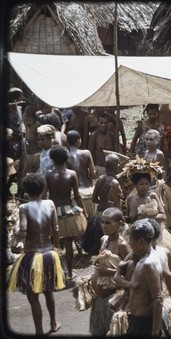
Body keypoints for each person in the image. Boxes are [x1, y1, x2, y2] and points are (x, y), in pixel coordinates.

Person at [7, 173, 65, 335]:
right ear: (42, 189)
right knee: (49, 291)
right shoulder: (50, 203)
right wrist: (58, 245)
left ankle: (39, 331)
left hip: (31, 256)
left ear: (26, 191)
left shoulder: (23, 207)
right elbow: (56, 228)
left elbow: (23, 231)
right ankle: (53, 323)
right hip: (48, 253)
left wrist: (16, 231)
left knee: (33, 297)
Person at [42, 146, 87, 280]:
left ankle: (55, 273)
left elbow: (44, 196)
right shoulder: (72, 174)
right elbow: (77, 195)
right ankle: (70, 272)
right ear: (66, 159)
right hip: (68, 211)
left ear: (52, 159)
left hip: (53, 210)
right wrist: (83, 210)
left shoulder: (48, 174)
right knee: (68, 244)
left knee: (51, 243)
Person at [89, 207, 130, 336]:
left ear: (119, 224)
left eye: (108, 223)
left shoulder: (122, 245)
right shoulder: (104, 239)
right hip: (101, 296)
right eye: (102, 222)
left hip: (115, 297)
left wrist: (108, 272)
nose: (104, 226)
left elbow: (130, 272)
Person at [80, 153, 123, 256]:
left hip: (98, 214)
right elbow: (111, 205)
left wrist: (103, 202)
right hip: (111, 218)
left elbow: (94, 199)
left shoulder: (100, 179)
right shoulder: (114, 183)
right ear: (117, 167)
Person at [125, 219, 163, 336]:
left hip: (143, 323)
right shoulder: (149, 256)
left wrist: (155, 331)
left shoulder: (148, 264)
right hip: (139, 320)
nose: (130, 244)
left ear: (141, 241)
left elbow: (158, 299)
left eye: (131, 240)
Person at [66, 130, 97, 218]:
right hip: (89, 192)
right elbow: (93, 174)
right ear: (78, 141)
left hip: (75, 195)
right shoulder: (86, 153)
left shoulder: (65, 156)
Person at [88, 112, 116, 176]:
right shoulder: (94, 136)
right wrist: (92, 169)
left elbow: (115, 151)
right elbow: (90, 153)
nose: (103, 125)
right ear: (97, 123)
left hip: (110, 169)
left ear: (108, 123)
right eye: (101, 123)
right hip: (98, 167)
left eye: (105, 123)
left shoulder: (111, 135)